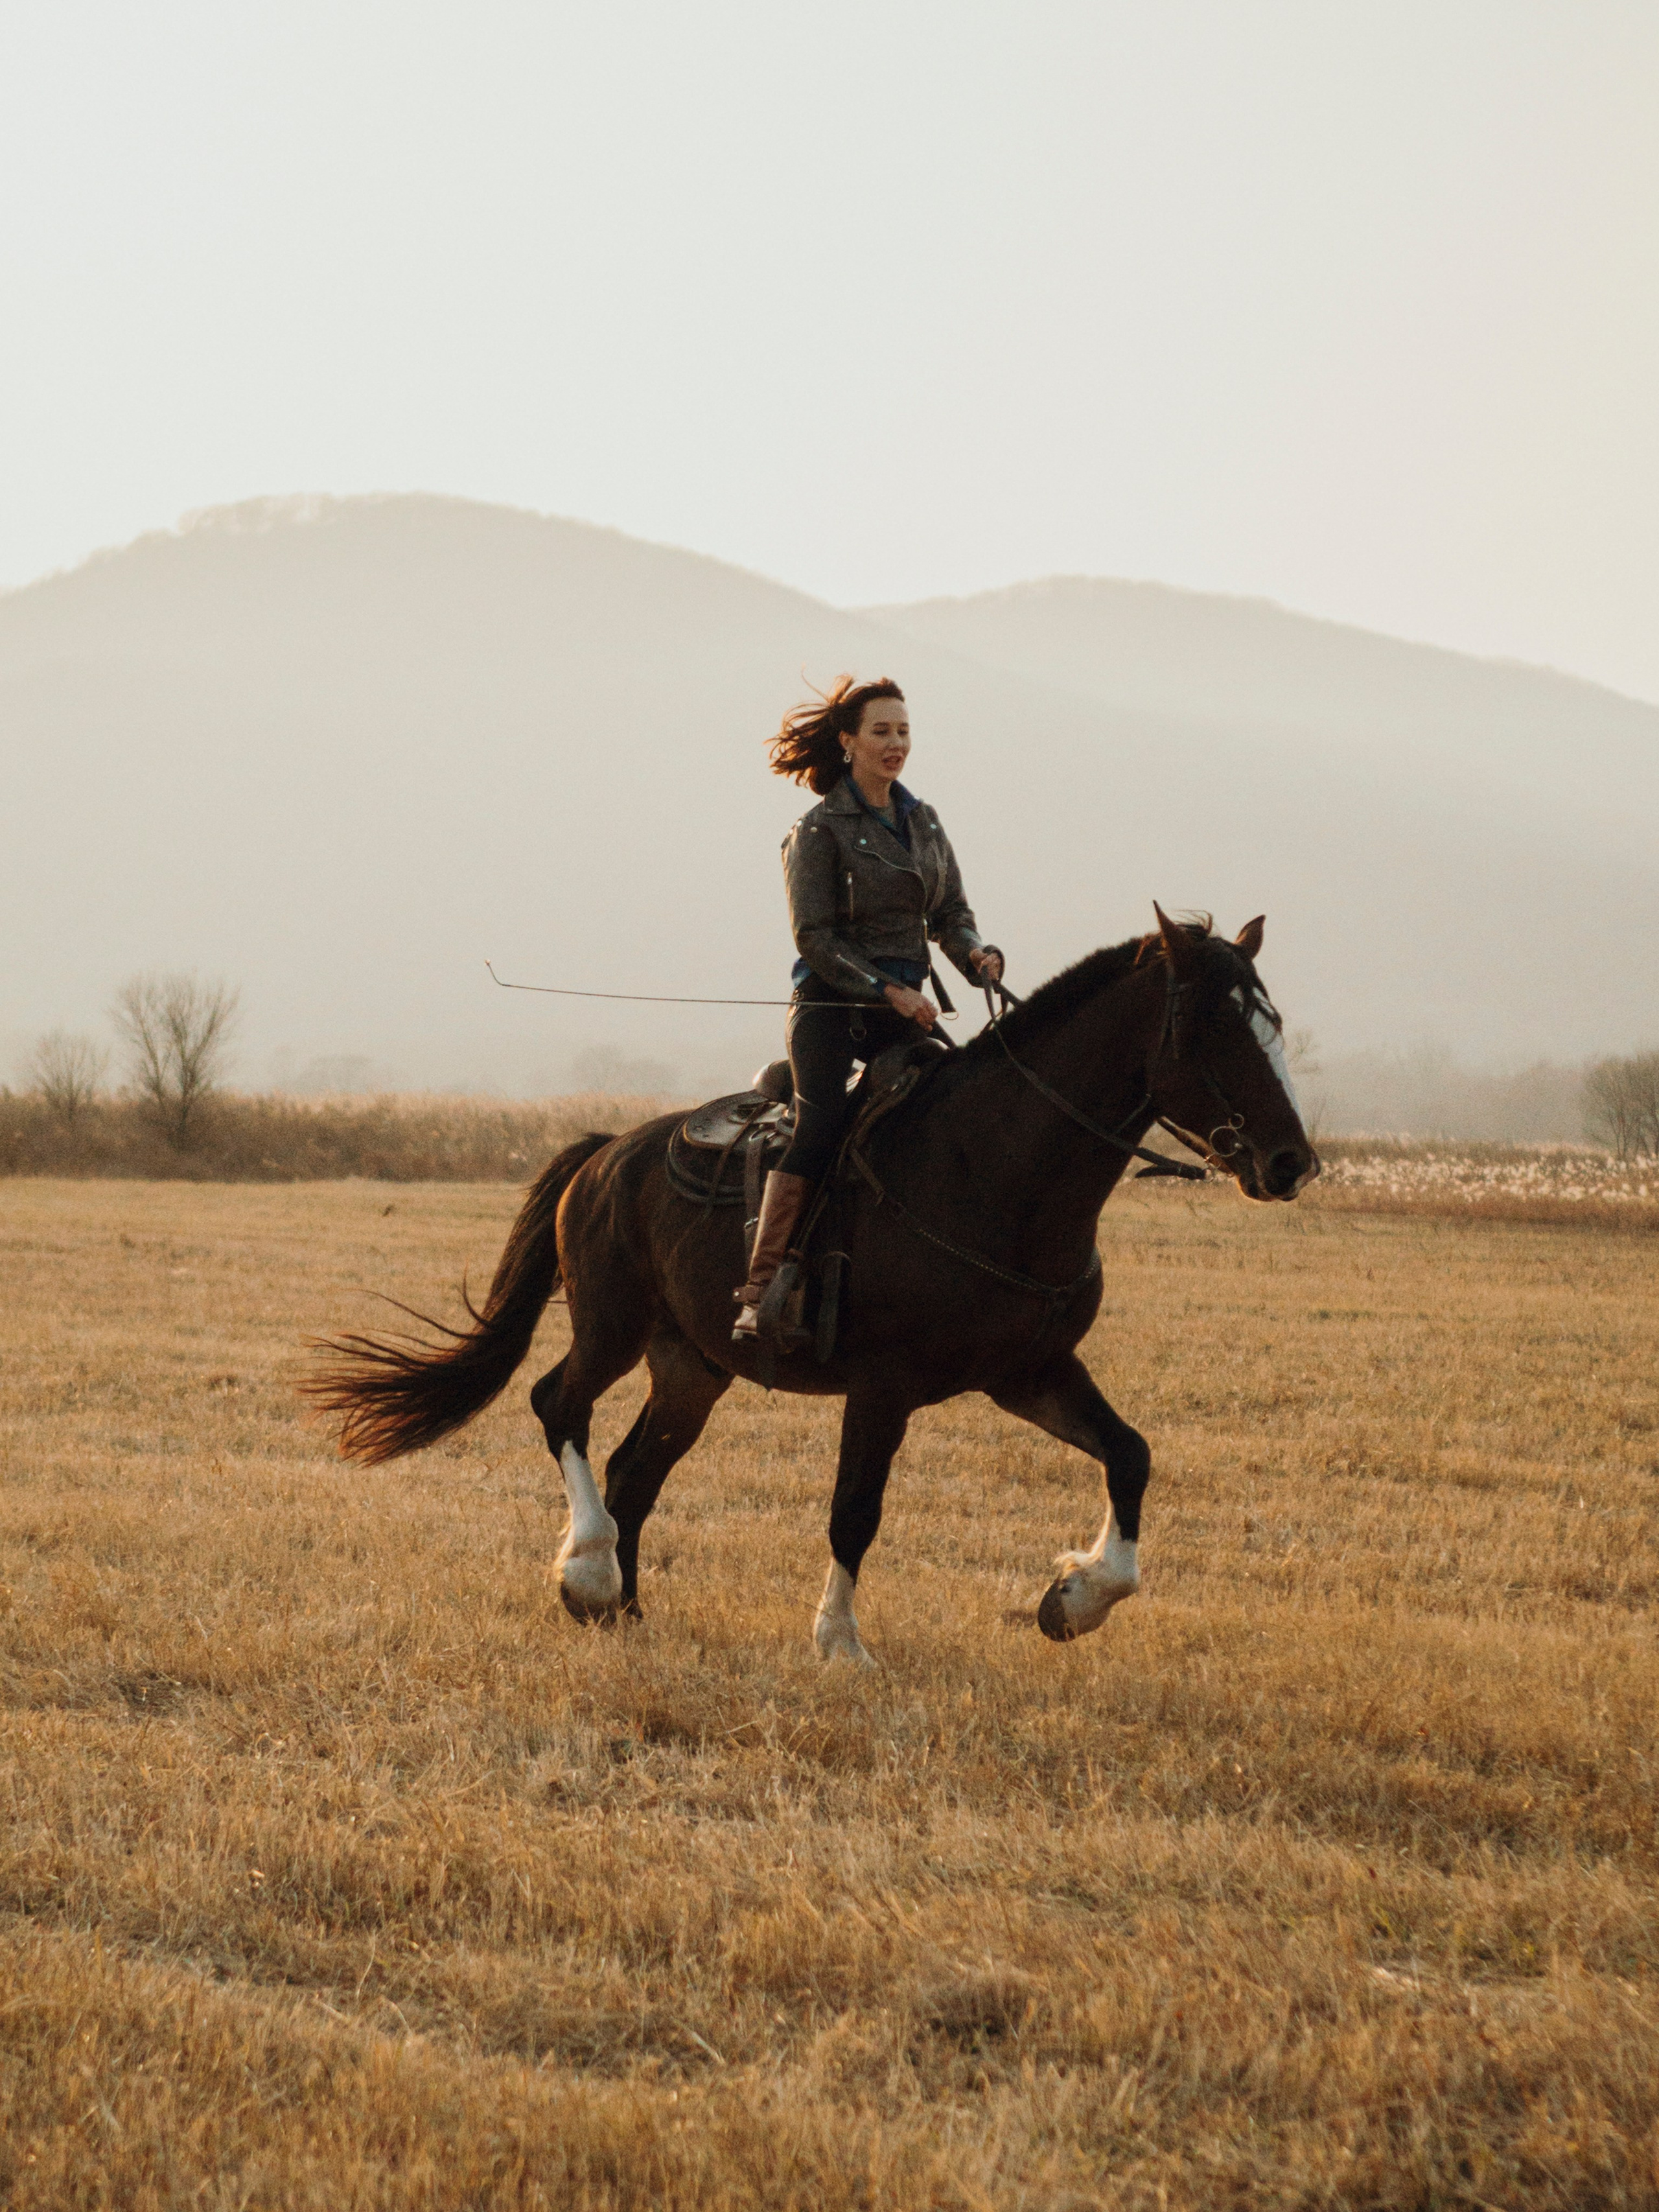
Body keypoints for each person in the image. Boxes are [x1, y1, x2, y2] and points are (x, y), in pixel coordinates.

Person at [732, 676, 1004, 1342]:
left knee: (970, 1112)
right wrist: (887, 988)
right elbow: (815, 939)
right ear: (848, 741)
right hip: (830, 1010)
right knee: (819, 1130)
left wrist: (974, 956)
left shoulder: (924, 819)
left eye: (903, 731)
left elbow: (950, 914)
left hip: (904, 1014)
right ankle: (761, 1289)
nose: (895, 744)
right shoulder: (817, 830)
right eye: (881, 732)